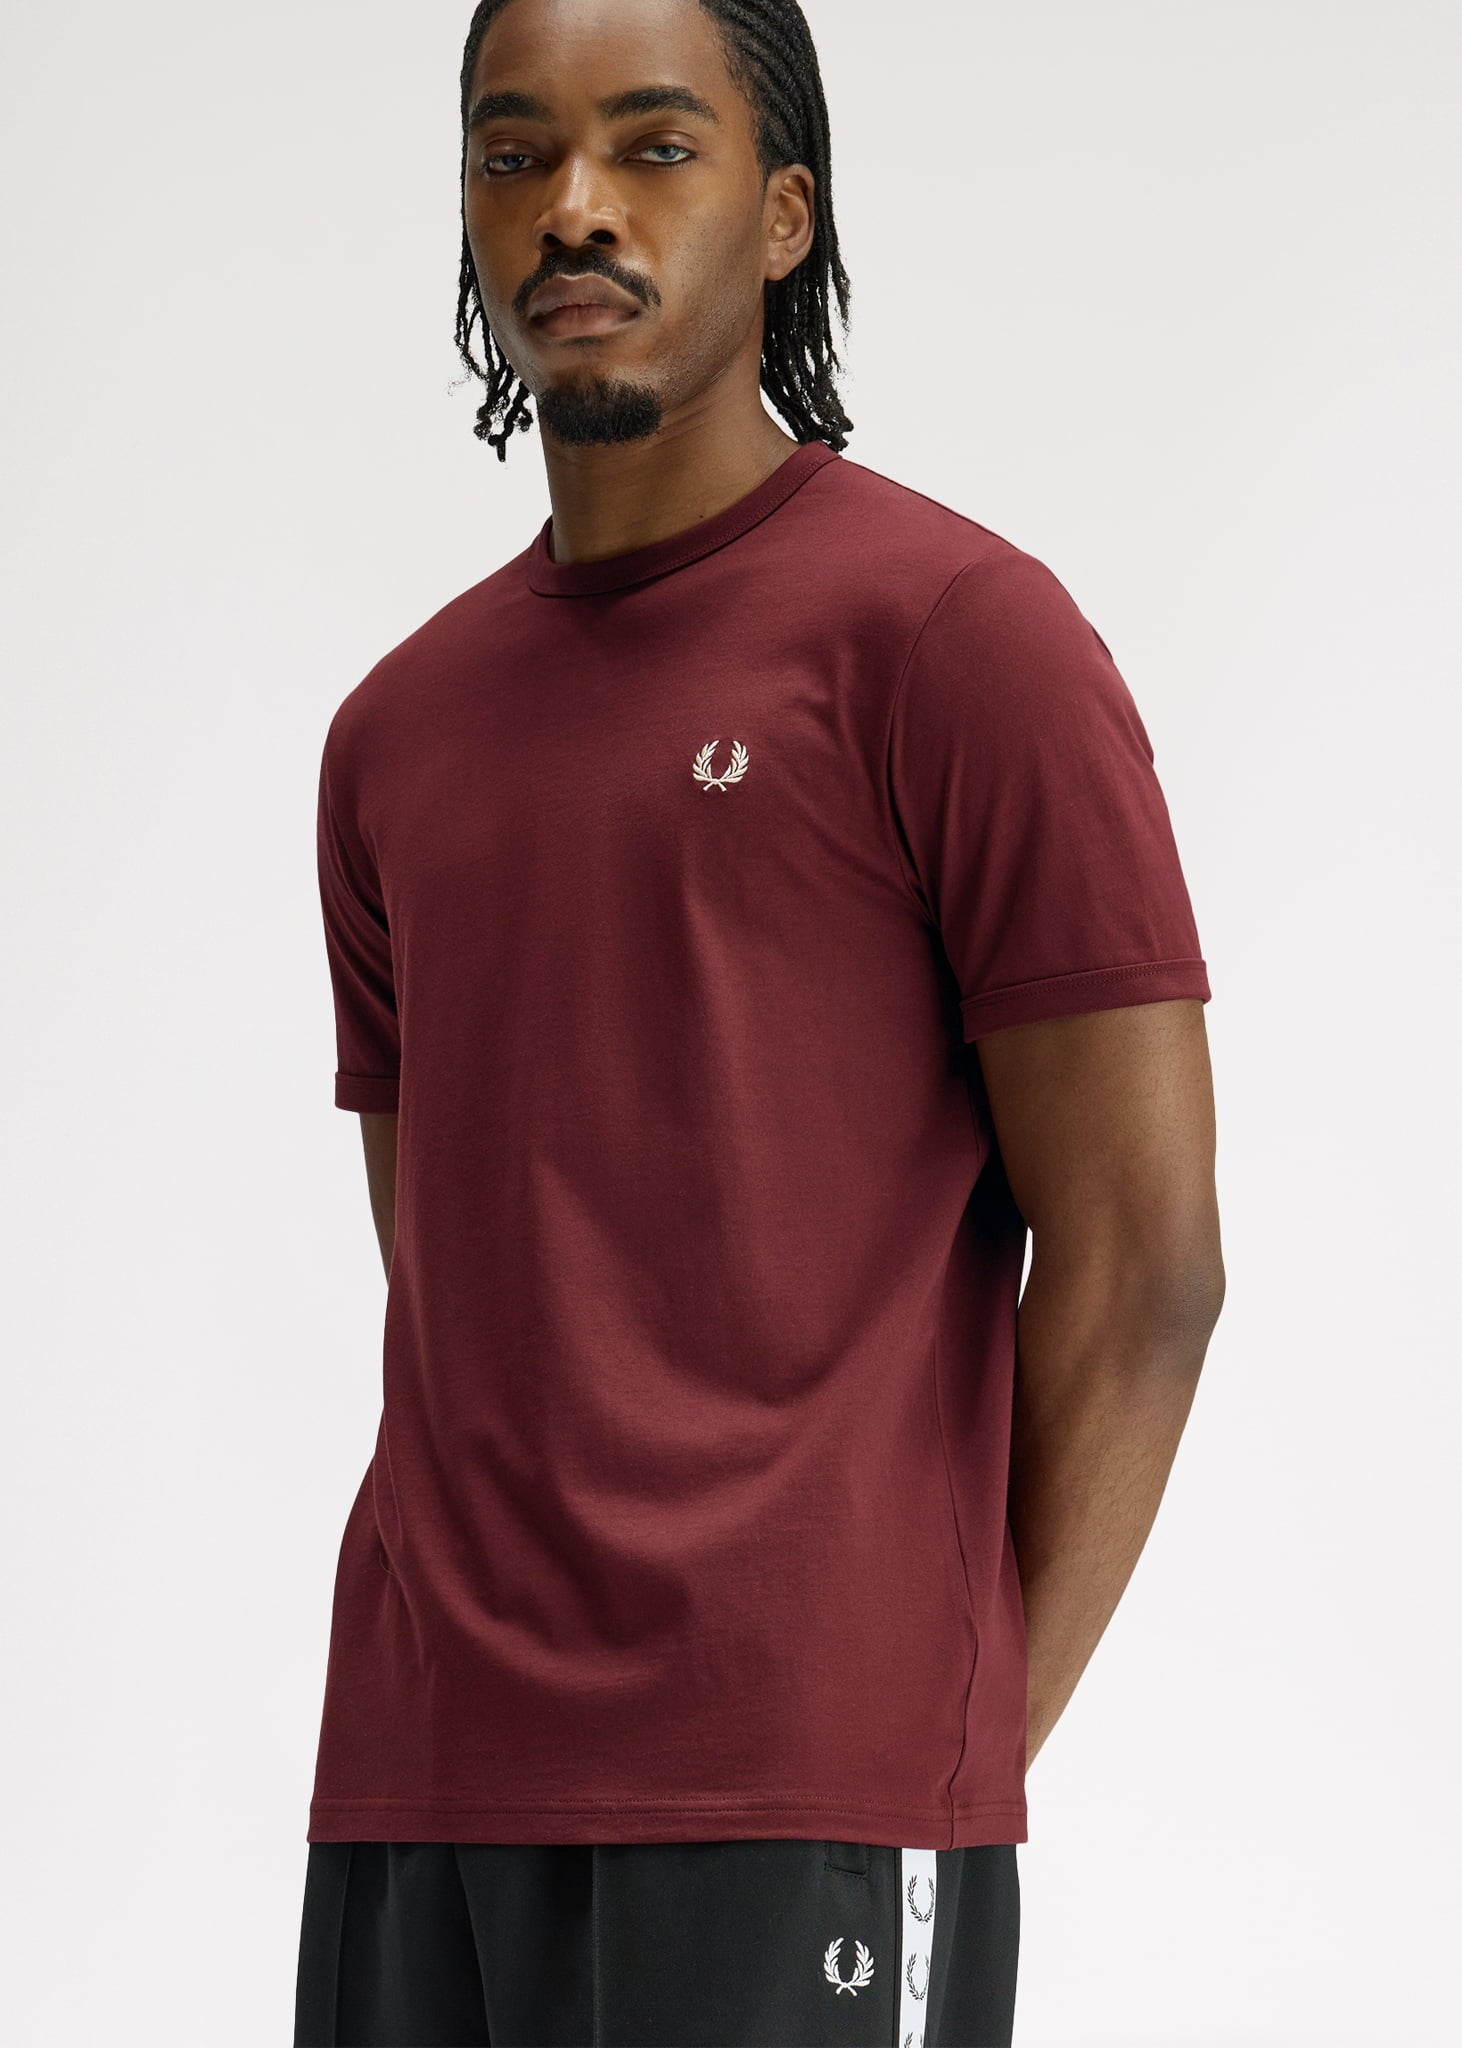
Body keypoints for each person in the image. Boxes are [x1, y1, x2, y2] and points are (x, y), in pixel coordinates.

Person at [291, 0, 1225, 2041]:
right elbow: (454, 1278)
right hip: (418, 1775)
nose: (574, 208)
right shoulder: (393, 737)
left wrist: (924, 1737)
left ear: (784, 213)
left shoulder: (957, 644)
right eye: (514, 155)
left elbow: (1147, 1267)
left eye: (652, 146)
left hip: (795, 1790)